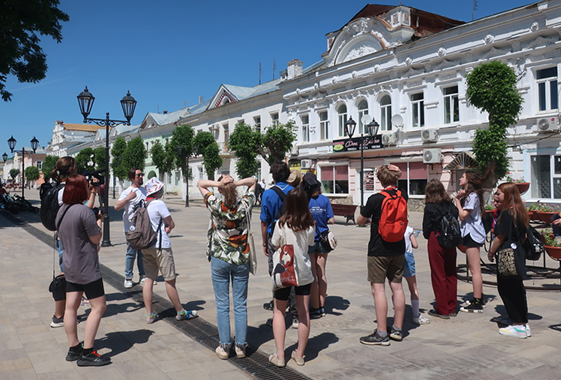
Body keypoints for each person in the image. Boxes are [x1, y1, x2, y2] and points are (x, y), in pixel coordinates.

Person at [198, 175, 257, 360]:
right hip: (241, 259)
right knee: (240, 303)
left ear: (221, 190)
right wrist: (234, 183)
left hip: (220, 259)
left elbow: (200, 184)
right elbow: (254, 181)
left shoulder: (215, 204)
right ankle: (240, 346)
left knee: (222, 304)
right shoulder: (245, 204)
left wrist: (220, 184)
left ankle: (224, 346)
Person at [56, 175, 110, 366]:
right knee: (99, 306)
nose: (89, 188)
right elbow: (96, 239)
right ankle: (88, 351)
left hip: (70, 265)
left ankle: (74, 348)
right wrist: (99, 221)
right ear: (81, 189)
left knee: (71, 307)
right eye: (87, 186)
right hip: (87, 267)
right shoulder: (84, 212)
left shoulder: (62, 210)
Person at [357, 164, 407, 346]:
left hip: (379, 249)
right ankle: (398, 329)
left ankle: (381, 332)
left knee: (378, 289)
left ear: (380, 180)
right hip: (399, 247)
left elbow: (360, 220)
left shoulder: (375, 199)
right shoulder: (404, 196)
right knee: (398, 287)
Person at [269, 186, 315, 367]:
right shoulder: (310, 224)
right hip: (304, 272)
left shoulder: (281, 224)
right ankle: (300, 354)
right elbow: (309, 245)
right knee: (303, 312)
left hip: (284, 272)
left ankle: (280, 355)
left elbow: (274, 244)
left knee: (279, 311)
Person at [142, 177, 198, 324]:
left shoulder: (143, 203)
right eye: (160, 189)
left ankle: (150, 314)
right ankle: (180, 311)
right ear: (157, 191)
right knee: (169, 280)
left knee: (149, 279)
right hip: (161, 246)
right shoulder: (158, 203)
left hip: (145, 246)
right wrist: (169, 227)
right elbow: (170, 222)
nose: (162, 191)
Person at [50, 157, 97, 328]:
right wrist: (92, 193)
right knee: (67, 275)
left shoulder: (60, 188)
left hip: (64, 235)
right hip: (70, 237)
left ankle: (64, 312)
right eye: (75, 166)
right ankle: (59, 315)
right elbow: (85, 211)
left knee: (68, 273)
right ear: (70, 169)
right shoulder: (66, 190)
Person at [488, 183, 531, 338]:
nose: (496, 196)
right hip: (518, 253)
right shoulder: (519, 211)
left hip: (507, 254)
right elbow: (524, 236)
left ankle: (518, 325)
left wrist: (491, 252)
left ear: (507, 194)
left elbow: (500, 237)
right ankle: (522, 323)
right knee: (517, 289)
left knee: (507, 288)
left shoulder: (507, 213)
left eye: (499, 193)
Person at [260, 162, 297, 327]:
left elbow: (264, 221)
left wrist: (263, 242)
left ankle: (279, 312)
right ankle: (296, 314)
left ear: (273, 176)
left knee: (277, 272)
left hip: (274, 236)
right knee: (294, 271)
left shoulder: (268, 194)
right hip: (293, 234)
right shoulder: (296, 192)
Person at [422, 179, 459, 319]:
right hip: (451, 239)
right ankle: (451, 306)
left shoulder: (430, 207)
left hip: (436, 238)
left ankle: (442, 309)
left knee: (438, 274)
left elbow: (426, 229)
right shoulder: (450, 205)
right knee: (451, 272)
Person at [302, 173, 335, 319]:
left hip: (310, 240)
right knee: (322, 273)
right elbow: (332, 220)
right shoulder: (325, 200)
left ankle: (315, 307)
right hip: (323, 239)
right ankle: (322, 305)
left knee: (313, 275)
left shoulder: (305, 200)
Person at [455, 171, 486, 313]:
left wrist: (457, 202)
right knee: (474, 269)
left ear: (468, 180)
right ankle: (478, 296)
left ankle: (478, 300)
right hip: (470, 233)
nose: (460, 178)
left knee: (475, 270)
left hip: (472, 234)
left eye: (463, 176)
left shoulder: (472, 196)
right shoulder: (470, 196)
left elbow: (463, 215)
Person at [114, 168, 147, 288]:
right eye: (138, 175)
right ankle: (128, 277)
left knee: (142, 253)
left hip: (143, 227)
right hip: (131, 228)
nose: (141, 177)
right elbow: (116, 206)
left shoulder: (144, 190)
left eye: (142, 175)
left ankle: (143, 275)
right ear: (132, 178)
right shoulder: (127, 191)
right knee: (131, 253)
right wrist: (128, 198)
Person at [403, 225, 430, 324]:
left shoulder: (391, 226)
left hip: (395, 256)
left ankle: (398, 315)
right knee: (413, 287)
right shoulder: (408, 229)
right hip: (407, 256)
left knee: (396, 288)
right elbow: (415, 245)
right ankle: (415, 315)